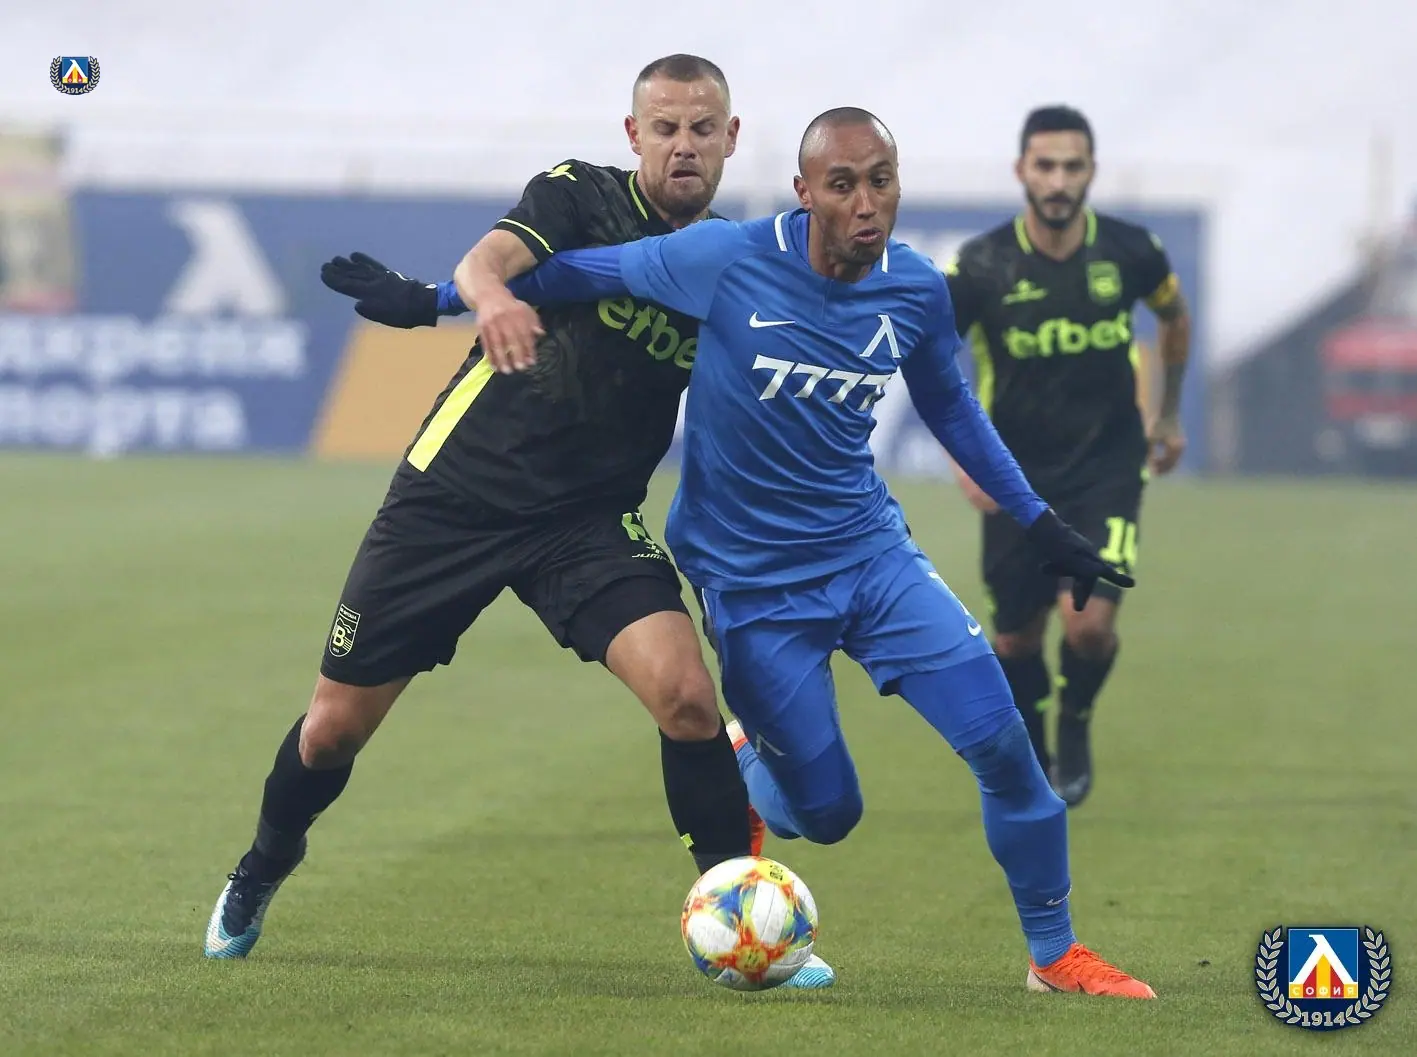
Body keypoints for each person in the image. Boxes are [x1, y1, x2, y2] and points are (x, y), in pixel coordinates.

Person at [474, 106, 1157, 998]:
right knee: (828, 814)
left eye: (881, 180)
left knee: (1002, 746)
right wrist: (441, 297)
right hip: (753, 588)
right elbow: (571, 273)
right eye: (842, 185)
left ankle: (1054, 954)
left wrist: (1040, 521)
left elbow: (950, 407)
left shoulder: (915, 288)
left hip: (872, 560)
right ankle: (746, 760)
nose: (866, 203)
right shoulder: (726, 258)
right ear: (804, 193)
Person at [203, 54, 834, 989]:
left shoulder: (728, 262)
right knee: (331, 730)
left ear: (730, 138)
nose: (683, 145)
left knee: (686, 697)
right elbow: (488, 263)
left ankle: (738, 918)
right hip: (452, 500)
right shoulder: (577, 192)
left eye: (702, 129)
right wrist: (483, 299)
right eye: (664, 127)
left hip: (585, 520)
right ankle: (261, 866)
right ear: (634, 135)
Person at [943, 105, 1192, 806]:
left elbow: (1173, 318)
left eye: (1071, 167)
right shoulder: (981, 265)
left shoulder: (1131, 251)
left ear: (1091, 172)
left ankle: (1076, 720)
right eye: (1045, 166)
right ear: (1021, 170)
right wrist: (963, 459)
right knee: (1016, 641)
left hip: (1106, 469)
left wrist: (1169, 413)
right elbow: (927, 355)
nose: (1058, 181)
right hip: (1013, 477)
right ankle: (1039, 748)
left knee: (1088, 625)